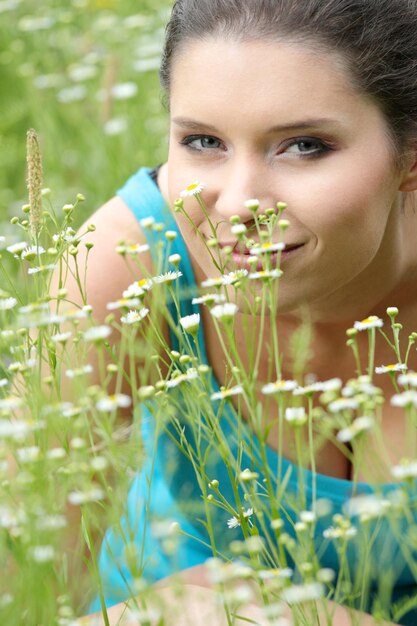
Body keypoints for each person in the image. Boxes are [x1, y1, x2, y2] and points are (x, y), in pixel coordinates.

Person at [60, 0, 417, 624]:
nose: (239, 204)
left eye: (305, 146)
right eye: (203, 142)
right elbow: (25, 582)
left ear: (409, 158)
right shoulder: (127, 262)